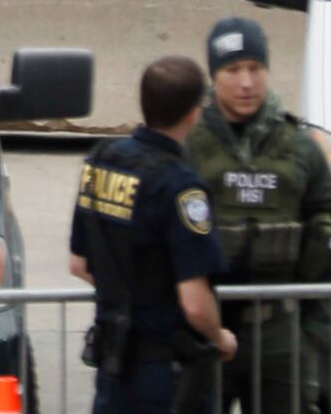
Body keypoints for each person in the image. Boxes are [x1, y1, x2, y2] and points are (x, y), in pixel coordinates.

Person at [180, 20, 331, 414]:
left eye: (255, 68)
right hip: (206, 326)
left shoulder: (299, 145)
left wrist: (314, 333)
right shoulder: (189, 142)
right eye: (233, 70)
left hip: (280, 332)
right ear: (213, 76)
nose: (246, 83)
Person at [70, 53, 233, 414]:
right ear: (194, 111)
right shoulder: (180, 186)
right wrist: (219, 337)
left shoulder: (101, 160)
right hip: (164, 372)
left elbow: (79, 264)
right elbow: (194, 302)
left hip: (112, 365)